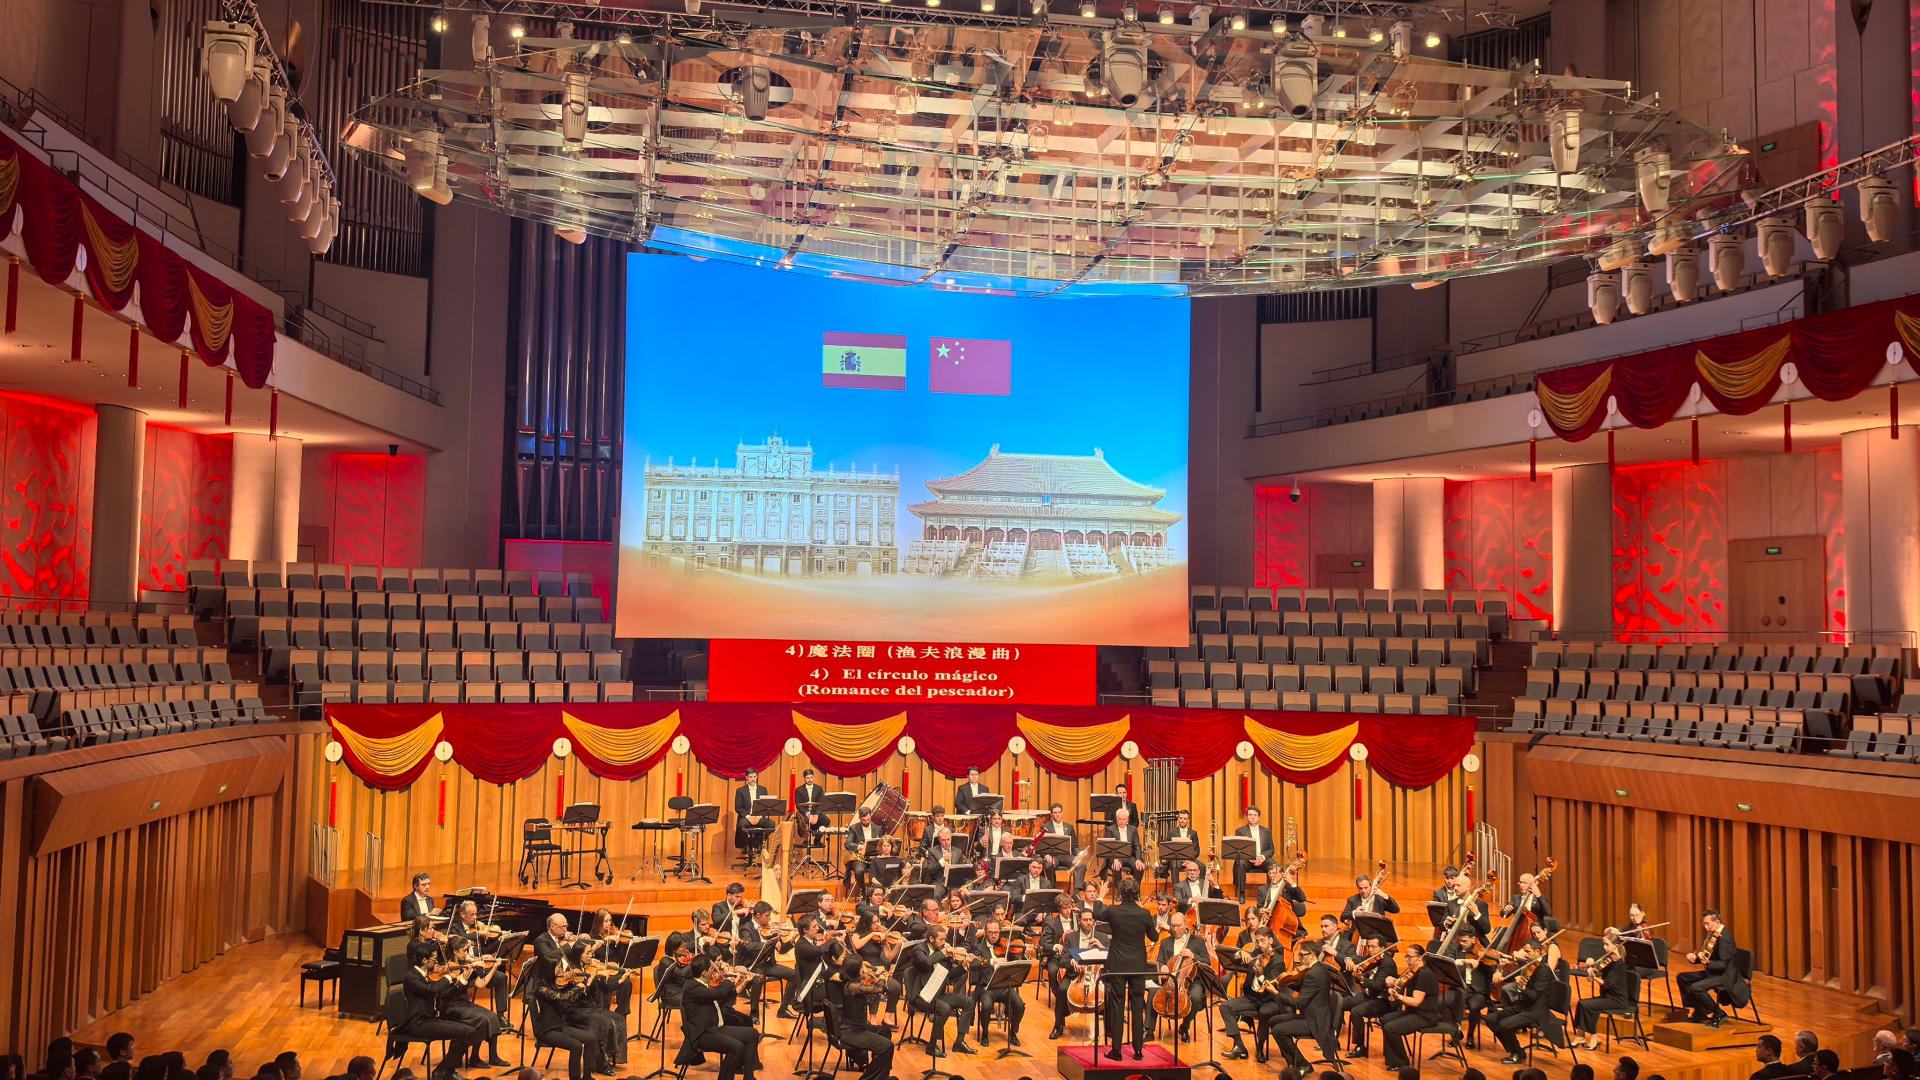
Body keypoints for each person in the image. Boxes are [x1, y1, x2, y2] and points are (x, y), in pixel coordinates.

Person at [1093, 873, 1158, 1061]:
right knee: (1137, 1005)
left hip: (1118, 965)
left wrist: (1100, 896)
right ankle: (1138, 1051)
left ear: (1120, 893)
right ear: (1137, 893)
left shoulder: (1114, 911)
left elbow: (1097, 914)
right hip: (1137, 966)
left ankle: (1116, 1051)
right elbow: (1154, 937)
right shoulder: (1144, 914)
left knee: (1117, 1004)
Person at [397, 939, 481, 1078]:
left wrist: (463, 980)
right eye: (434, 960)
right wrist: (448, 977)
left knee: (470, 1030)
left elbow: (444, 995)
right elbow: (432, 991)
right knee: (464, 1032)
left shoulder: (427, 975)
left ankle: (445, 1070)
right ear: (425, 961)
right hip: (418, 1023)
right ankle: (445, 1072)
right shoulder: (411, 978)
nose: (437, 963)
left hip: (430, 1020)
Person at [1492, 923, 1566, 1064]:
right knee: (1491, 1019)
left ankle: (1518, 1053)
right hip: (1524, 1004)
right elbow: (1516, 975)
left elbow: (1534, 994)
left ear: (1538, 952)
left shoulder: (1543, 969)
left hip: (1536, 1010)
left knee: (1505, 1024)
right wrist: (1501, 970)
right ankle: (1514, 1049)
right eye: (1534, 933)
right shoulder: (1531, 962)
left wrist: (1522, 987)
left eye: (1528, 952)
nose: (1526, 955)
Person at [679, 956, 761, 1080]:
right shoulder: (693, 988)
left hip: (714, 1028)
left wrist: (743, 983)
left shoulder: (701, 985)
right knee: (736, 1047)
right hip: (703, 1034)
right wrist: (729, 981)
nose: (714, 971)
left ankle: (748, 1077)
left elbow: (719, 998)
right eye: (712, 969)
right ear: (704, 972)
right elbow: (717, 994)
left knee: (752, 1034)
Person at [905, 922, 977, 1057]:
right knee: (944, 1009)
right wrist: (943, 953)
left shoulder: (943, 953)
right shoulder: (919, 949)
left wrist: (963, 965)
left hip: (938, 993)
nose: (944, 943)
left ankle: (959, 1042)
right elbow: (926, 961)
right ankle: (932, 1046)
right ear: (931, 939)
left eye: (945, 939)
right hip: (921, 995)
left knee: (969, 1002)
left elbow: (950, 976)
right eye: (941, 940)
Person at [1271, 941, 1345, 1071]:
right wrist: (1286, 981)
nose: (1299, 958)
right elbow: (1307, 989)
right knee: (1274, 1021)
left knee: (1278, 1031)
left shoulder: (1312, 974)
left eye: (1302, 955)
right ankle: (1292, 1061)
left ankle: (1302, 1064)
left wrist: (1276, 993)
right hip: (1314, 1015)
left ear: (1312, 955)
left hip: (1315, 1022)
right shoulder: (1319, 968)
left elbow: (1299, 1003)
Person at [1220, 925, 1289, 1061]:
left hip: (1270, 1000)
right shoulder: (1255, 954)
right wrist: (1240, 953)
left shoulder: (1278, 961)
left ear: (1271, 941)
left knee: (1264, 1012)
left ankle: (1260, 1047)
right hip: (1253, 998)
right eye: (1257, 941)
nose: (1260, 944)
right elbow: (1233, 960)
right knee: (1225, 1006)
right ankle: (1239, 1045)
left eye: (1263, 941)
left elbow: (1270, 985)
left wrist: (1260, 975)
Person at [829, 947, 895, 1080]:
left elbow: (870, 997)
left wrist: (874, 977)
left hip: (859, 1027)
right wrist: (882, 976)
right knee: (887, 1046)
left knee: (885, 1031)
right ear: (857, 970)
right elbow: (880, 988)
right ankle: (870, 1077)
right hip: (851, 1031)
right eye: (862, 967)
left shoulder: (854, 983)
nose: (864, 969)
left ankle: (881, 1075)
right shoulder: (852, 986)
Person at [1048, 907, 1108, 1039]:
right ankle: (1058, 1026)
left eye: (1091, 920)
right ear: (1079, 921)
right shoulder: (1071, 938)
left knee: (1109, 991)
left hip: (1096, 976)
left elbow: (1111, 959)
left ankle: (1109, 1028)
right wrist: (1071, 961)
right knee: (1062, 990)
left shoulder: (1102, 937)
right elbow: (1062, 960)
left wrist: (1102, 947)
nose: (1089, 922)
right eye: (1085, 920)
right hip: (1075, 976)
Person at [1574, 930, 1638, 1050]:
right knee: (1581, 1003)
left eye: (1607, 944)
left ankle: (1594, 1037)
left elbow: (1607, 983)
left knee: (1587, 1006)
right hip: (1607, 997)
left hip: (1617, 1000)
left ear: (1615, 945)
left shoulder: (1619, 964)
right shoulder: (1609, 960)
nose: (1604, 947)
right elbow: (1597, 967)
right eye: (1604, 944)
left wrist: (1594, 978)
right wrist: (1590, 965)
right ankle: (1580, 1035)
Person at [1381, 944, 1441, 1071]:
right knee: (1385, 1019)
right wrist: (1393, 982)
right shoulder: (1414, 971)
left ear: (1420, 957)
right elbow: (1402, 982)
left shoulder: (1424, 975)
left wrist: (1399, 997)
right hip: (1414, 1012)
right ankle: (1391, 1057)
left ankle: (1402, 1062)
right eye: (1406, 956)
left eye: (1409, 957)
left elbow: (1416, 1002)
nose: (1407, 959)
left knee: (1390, 1028)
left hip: (1425, 1016)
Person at [1153, 909, 1210, 1041]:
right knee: (1152, 993)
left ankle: (1185, 1026)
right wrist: (1163, 966)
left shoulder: (1197, 942)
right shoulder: (1165, 942)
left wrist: (1193, 955)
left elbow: (1207, 962)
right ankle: (1149, 1030)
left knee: (1195, 996)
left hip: (1192, 980)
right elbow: (1160, 960)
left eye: (1178, 926)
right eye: (1173, 926)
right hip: (1169, 980)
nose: (1175, 929)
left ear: (1185, 924)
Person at [1677, 909, 1740, 1027]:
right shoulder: (1713, 935)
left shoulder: (1725, 938)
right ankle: (1701, 1012)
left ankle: (1719, 1013)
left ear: (1717, 922)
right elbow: (1705, 955)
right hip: (1714, 972)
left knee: (1696, 988)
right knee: (1683, 978)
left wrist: (1707, 962)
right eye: (1704, 924)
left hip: (1725, 975)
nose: (1706, 927)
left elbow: (1723, 965)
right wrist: (1695, 957)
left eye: (1708, 924)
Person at [1340, 935, 1399, 1057]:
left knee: (1356, 1012)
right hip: (1370, 995)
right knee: (1341, 1003)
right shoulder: (1371, 959)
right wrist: (1350, 962)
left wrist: (1361, 979)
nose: (1370, 950)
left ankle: (1360, 1047)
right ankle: (1333, 1039)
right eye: (1368, 947)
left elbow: (1377, 985)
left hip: (1383, 1000)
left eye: (1373, 947)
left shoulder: (1388, 964)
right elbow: (1358, 959)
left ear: (1382, 948)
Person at [1232, 806, 1277, 898]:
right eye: (1250, 815)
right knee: (1240, 863)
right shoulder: (1240, 831)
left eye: (1255, 815)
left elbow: (1271, 849)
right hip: (1247, 859)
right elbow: (1239, 849)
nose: (1252, 817)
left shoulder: (1266, 831)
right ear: (1247, 817)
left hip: (1262, 859)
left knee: (1275, 866)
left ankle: (1270, 894)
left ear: (1259, 817)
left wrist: (1262, 857)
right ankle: (1241, 894)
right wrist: (1250, 857)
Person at [733, 768, 772, 860]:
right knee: (741, 824)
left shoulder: (763, 790)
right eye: (750, 777)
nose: (753, 779)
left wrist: (759, 817)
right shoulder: (740, 791)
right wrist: (748, 817)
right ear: (746, 778)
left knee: (771, 824)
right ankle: (747, 845)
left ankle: (757, 843)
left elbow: (766, 806)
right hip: (747, 817)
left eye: (754, 777)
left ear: (757, 777)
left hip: (759, 817)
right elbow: (738, 807)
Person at [1102, 807, 1147, 880]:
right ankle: (1119, 887)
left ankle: (1135, 886)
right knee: (1116, 867)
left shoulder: (1133, 829)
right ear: (1116, 818)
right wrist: (1114, 860)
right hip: (1117, 857)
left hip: (1130, 857)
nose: (1122, 821)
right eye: (1119, 819)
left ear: (1127, 819)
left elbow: (1137, 846)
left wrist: (1138, 859)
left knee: (1139, 867)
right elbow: (1109, 848)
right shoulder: (1110, 830)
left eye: (1124, 819)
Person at [843, 806, 876, 894]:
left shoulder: (877, 828)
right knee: (858, 871)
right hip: (859, 859)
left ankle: (873, 891)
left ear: (871, 816)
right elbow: (847, 844)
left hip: (874, 858)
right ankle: (864, 890)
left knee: (880, 868)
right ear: (860, 818)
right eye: (863, 820)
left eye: (868, 819)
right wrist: (859, 846)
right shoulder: (854, 828)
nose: (866, 822)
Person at [794, 768, 827, 836]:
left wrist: (816, 815)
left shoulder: (819, 789)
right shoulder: (799, 790)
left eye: (811, 777)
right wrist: (808, 815)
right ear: (804, 778)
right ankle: (806, 839)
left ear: (813, 777)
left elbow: (821, 803)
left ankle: (817, 839)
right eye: (807, 778)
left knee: (826, 820)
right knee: (804, 822)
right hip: (805, 813)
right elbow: (798, 805)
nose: (810, 780)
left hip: (815, 813)